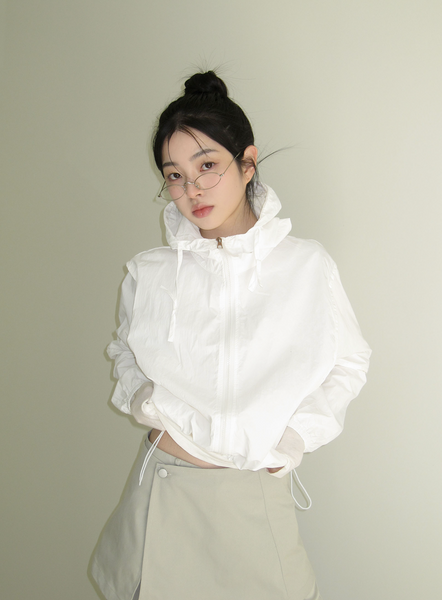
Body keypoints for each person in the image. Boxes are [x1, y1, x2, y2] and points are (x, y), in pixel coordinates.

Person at [91, 71, 371, 600]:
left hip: (251, 496)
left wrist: (295, 439)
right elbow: (123, 349)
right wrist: (144, 397)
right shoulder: (150, 271)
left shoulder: (306, 266)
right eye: (174, 175)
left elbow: (349, 361)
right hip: (161, 492)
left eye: (207, 166)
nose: (192, 189)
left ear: (247, 163)